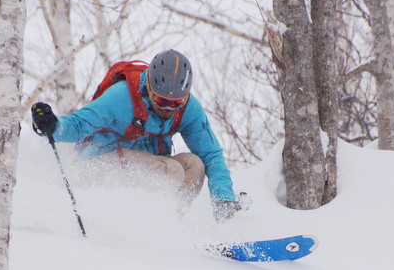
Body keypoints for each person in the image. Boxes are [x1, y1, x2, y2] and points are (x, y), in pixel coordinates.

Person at [31, 49, 241, 222]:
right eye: (162, 100)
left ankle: (171, 224)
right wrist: (53, 125)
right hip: (97, 166)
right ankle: (150, 224)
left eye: (177, 102)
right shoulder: (121, 97)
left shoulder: (188, 109)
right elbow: (78, 125)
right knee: (171, 170)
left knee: (195, 165)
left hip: (144, 168)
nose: (169, 108)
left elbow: (211, 154)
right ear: (149, 87)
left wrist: (224, 199)